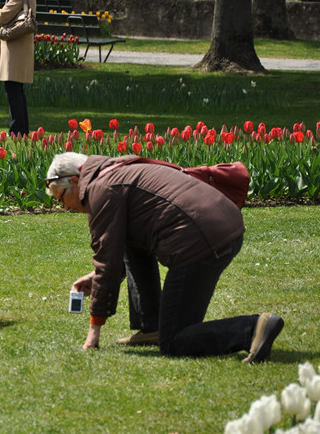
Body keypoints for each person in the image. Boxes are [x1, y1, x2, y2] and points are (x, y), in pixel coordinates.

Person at [45, 152, 284, 362]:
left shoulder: (101, 189)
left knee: (174, 342)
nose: (65, 207)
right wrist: (96, 277)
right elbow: (117, 249)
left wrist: (93, 332)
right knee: (129, 241)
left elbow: (107, 260)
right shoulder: (118, 168)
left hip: (202, 243)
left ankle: (252, 329)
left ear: (76, 180)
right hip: (223, 227)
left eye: (61, 198)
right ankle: (152, 327)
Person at [0, 0, 37, 137]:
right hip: (22, 47)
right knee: (18, 91)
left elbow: (3, 16)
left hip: (15, 49)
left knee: (13, 91)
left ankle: (16, 130)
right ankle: (22, 130)